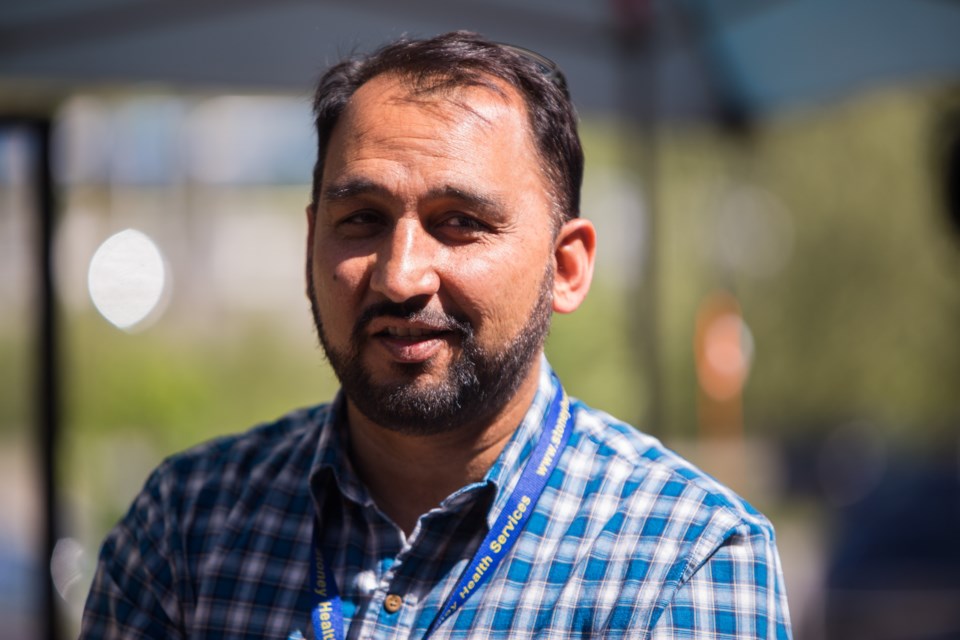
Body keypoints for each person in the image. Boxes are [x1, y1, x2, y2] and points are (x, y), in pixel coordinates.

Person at [80, 31, 792, 639]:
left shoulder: (682, 560)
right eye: (361, 219)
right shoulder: (186, 529)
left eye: (460, 223)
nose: (401, 276)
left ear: (565, 268)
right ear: (309, 248)